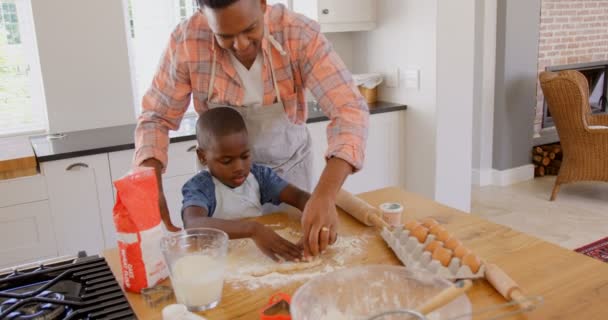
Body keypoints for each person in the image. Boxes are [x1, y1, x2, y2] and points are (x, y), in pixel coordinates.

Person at [134, 0, 369, 257]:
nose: (241, 45)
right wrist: (150, 186)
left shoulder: (298, 33)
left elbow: (349, 109)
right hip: (221, 185)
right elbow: (156, 116)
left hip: (287, 174)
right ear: (202, 14)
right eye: (225, 36)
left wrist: (323, 195)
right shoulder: (187, 41)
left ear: (262, 3)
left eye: (250, 29)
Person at [182, 107, 309, 261]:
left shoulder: (260, 177)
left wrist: (317, 214)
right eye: (226, 161)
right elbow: (193, 224)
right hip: (217, 260)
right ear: (202, 156)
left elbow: (299, 196)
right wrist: (252, 229)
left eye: (245, 156)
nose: (239, 168)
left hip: (254, 257)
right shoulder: (201, 187)